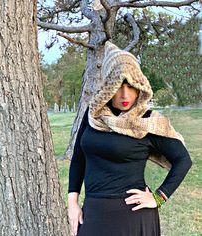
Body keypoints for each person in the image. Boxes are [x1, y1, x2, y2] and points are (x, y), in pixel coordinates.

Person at [67, 41, 192, 236]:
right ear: (109, 85)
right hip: (94, 212)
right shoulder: (93, 115)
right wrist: (72, 203)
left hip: (133, 217)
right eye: (119, 85)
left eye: (131, 86)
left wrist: (159, 197)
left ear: (139, 86)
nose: (125, 94)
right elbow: (79, 157)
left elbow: (183, 160)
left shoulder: (147, 121)